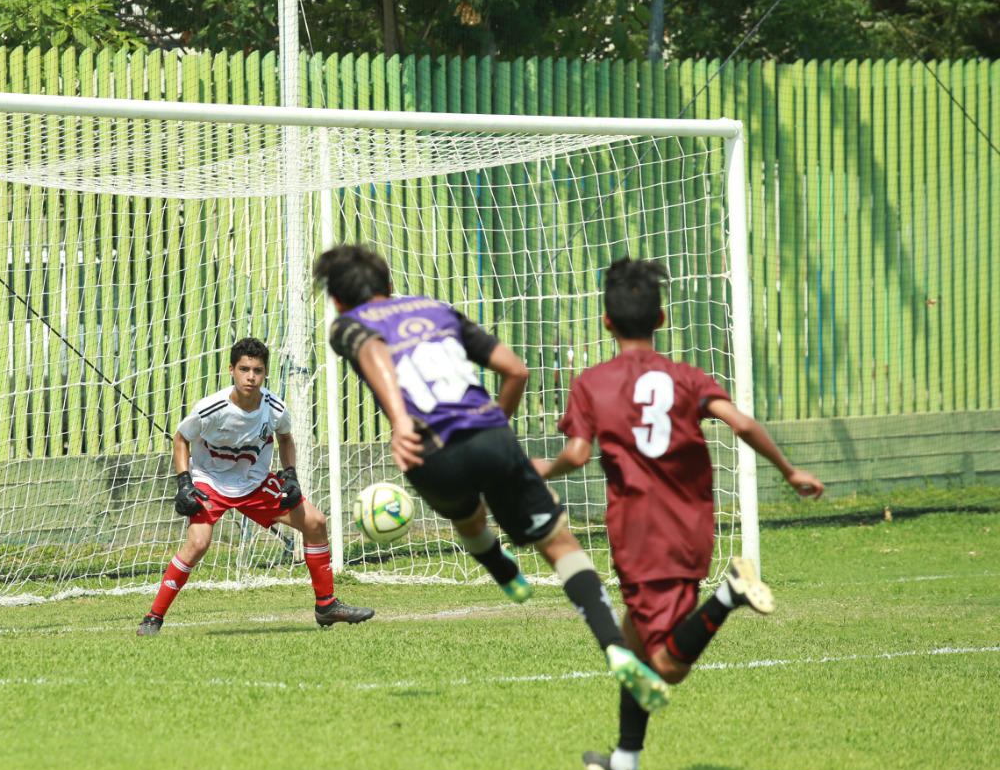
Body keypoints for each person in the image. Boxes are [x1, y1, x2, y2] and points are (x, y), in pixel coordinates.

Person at [313, 244, 671, 713]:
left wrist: (399, 420)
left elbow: (373, 349)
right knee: (559, 544)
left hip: (429, 451)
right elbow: (516, 370)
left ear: (339, 300)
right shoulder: (437, 310)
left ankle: (500, 567)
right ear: (389, 284)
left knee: (466, 513)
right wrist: (496, 427)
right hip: (492, 435)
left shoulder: (347, 325)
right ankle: (616, 648)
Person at [536, 256, 824, 770]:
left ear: (606, 321)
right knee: (632, 642)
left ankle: (729, 595)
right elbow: (740, 423)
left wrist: (539, 468)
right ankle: (625, 761)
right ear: (661, 319)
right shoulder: (687, 378)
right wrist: (789, 470)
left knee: (666, 666)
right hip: (691, 528)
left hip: (643, 537)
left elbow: (576, 455)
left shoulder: (593, 384)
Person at [137, 337, 375, 635]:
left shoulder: (274, 408)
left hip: (254, 483)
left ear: (265, 373)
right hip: (210, 482)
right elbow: (181, 438)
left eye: (257, 370)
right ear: (231, 370)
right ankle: (153, 618)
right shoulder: (211, 408)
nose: (250, 377)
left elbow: (286, 438)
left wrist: (290, 475)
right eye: (244, 369)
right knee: (198, 543)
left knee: (315, 522)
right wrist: (184, 481)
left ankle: (326, 606)